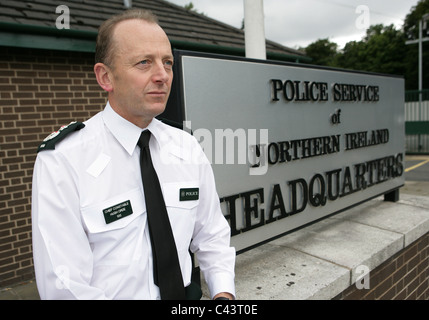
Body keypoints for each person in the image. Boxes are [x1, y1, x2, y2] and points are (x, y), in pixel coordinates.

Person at [31, 9, 235, 300]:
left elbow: (212, 235)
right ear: (105, 77)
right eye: (144, 63)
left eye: (167, 62)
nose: (163, 76)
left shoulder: (186, 146)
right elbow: (64, 285)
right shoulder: (63, 160)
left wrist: (223, 295)